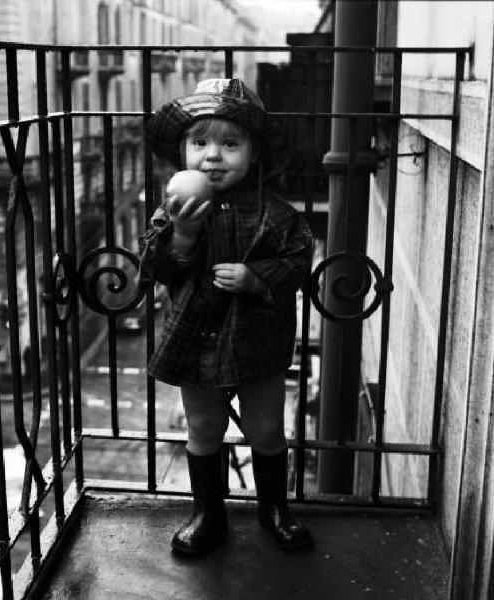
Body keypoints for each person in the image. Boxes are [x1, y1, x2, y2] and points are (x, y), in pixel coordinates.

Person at [139, 78, 313, 556]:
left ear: (253, 154)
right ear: (183, 152)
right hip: (197, 337)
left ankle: (273, 507)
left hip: (257, 337)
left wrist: (256, 278)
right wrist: (183, 235)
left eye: (230, 144)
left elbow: (299, 258)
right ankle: (207, 513)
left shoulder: (274, 214)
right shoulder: (176, 207)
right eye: (200, 143)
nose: (213, 156)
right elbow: (158, 268)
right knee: (203, 428)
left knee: (266, 428)